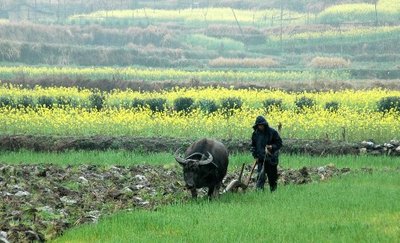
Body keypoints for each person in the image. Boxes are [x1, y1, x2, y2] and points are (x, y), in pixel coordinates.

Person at [251, 116, 283, 192]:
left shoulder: (272, 132)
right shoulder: (255, 134)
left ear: (265, 124)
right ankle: (259, 193)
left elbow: (279, 143)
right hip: (261, 159)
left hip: (271, 159)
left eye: (262, 125)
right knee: (260, 177)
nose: (260, 127)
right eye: (259, 125)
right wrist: (255, 155)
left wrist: (271, 147)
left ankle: (273, 192)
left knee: (272, 178)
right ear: (257, 126)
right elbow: (253, 146)